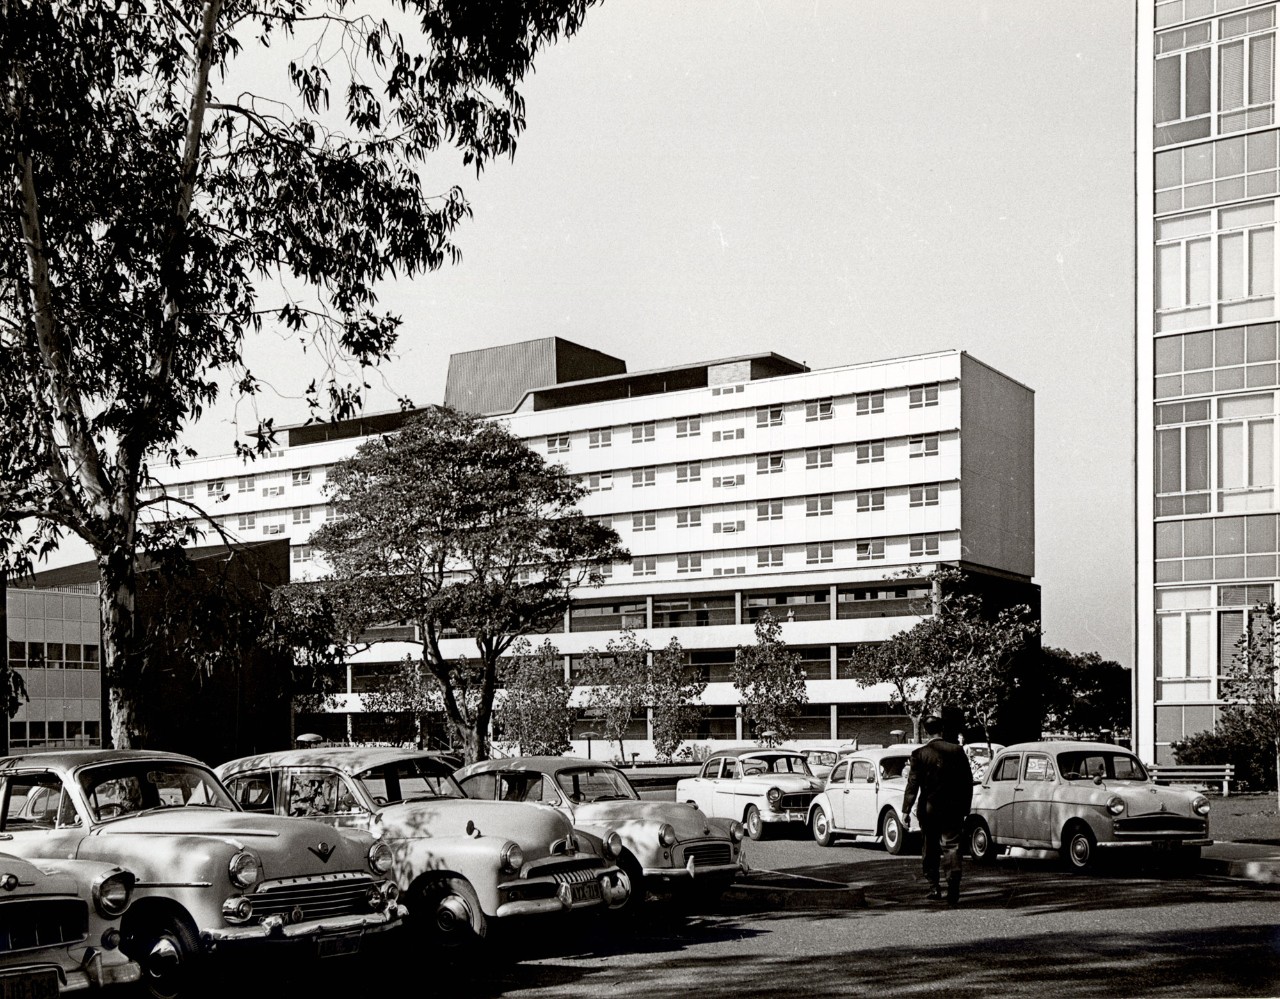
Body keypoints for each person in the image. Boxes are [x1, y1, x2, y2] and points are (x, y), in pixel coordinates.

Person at [901, 713, 973, 906]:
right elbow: (967, 782)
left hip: (929, 809)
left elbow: (912, 784)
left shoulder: (919, 754)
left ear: (925, 732)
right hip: (953, 809)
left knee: (930, 847)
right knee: (952, 847)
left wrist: (906, 810)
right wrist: (965, 808)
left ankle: (934, 886)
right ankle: (953, 886)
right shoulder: (957, 750)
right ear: (942, 729)